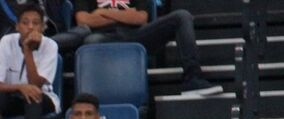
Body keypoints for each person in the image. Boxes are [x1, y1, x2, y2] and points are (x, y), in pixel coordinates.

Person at [72, 1, 222, 96]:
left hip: (137, 34)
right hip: (104, 38)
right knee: (90, 42)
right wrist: (125, 15)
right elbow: (83, 20)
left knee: (182, 16)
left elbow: (141, 18)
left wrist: (103, 12)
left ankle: (193, 78)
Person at [0, 2, 60, 119]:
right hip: (13, 97)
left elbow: (35, 85)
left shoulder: (50, 45)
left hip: (43, 98)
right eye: (25, 23)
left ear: (43, 27)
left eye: (36, 23)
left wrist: (27, 50)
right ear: (17, 26)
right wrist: (20, 87)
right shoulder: (6, 42)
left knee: (34, 96)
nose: (30, 27)